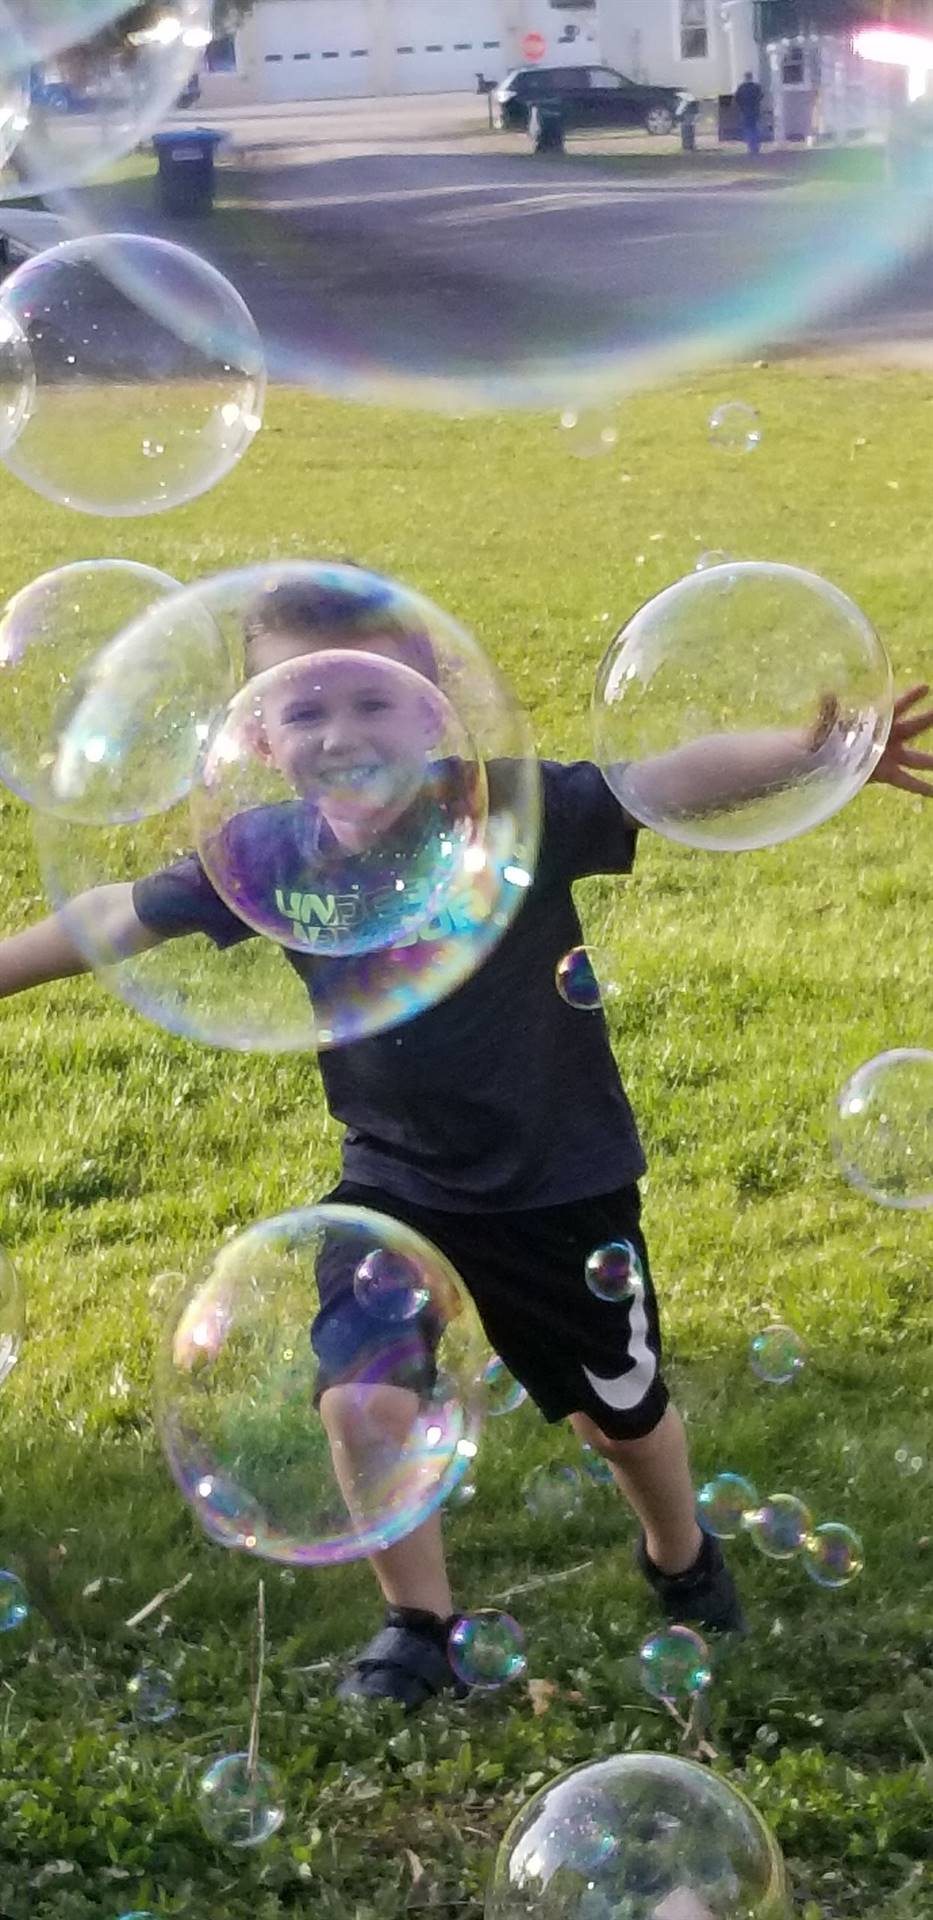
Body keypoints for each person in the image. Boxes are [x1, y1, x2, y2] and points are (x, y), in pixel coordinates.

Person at [0, 573, 930, 1712]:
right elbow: (114, 918)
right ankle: (420, 1628)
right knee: (360, 1398)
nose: (341, 732)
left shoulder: (505, 810)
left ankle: (681, 1553)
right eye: (305, 709)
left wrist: (809, 754)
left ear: (430, 701)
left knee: (620, 1418)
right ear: (258, 726)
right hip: (392, 1178)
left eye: (372, 702)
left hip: (560, 1184)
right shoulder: (268, 856)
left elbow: (660, 783)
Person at [733, 70, 764, 157]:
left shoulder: (741, 88)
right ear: (751, 77)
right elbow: (761, 96)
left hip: (745, 111)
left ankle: (750, 146)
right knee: (756, 128)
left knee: (748, 129)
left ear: (745, 78)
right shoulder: (757, 87)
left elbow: (737, 99)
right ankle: (756, 146)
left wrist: (741, 106)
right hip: (755, 110)